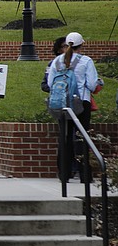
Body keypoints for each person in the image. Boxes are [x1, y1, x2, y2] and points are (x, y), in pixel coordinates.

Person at [47, 32, 99, 183]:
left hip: (61, 104)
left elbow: (50, 84)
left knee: (65, 137)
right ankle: (84, 175)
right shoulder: (86, 61)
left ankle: (64, 173)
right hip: (81, 102)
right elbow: (91, 84)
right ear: (81, 45)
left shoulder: (57, 61)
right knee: (82, 137)